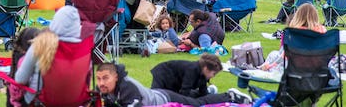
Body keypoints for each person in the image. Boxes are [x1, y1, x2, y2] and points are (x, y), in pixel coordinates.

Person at [15, 5, 83, 104]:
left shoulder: (41, 43)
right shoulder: (84, 50)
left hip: (39, 100)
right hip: (73, 101)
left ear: (55, 22)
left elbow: (20, 79)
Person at [96, 62, 246, 107]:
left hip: (165, 98)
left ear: (115, 77)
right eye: (99, 79)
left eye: (105, 78)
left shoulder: (128, 88)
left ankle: (229, 96)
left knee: (197, 104)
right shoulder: (106, 88)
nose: (101, 83)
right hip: (161, 91)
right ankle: (211, 92)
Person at [150, 54, 224, 98]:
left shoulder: (203, 75)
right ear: (206, 68)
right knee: (156, 95)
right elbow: (184, 91)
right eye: (213, 73)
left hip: (175, 82)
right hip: (163, 74)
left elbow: (203, 92)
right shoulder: (192, 70)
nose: (213, 76)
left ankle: (211, 91)